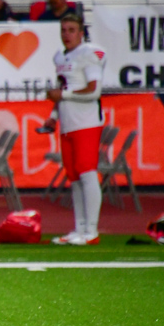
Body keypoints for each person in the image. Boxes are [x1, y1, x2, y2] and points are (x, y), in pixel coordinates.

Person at [47, 14, 106, 246]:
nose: (67, 34)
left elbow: (94, 91)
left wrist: (64, 95)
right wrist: (53, 117)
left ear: (81, 33)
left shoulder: (88, 54)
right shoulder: (60, 56)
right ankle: (79, 228)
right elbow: (63, 88)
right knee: (73, 176)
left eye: (71, 30)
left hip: (86, 122)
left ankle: (91, 230)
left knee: (86, 172)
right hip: (67, 122)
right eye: (63, 30)